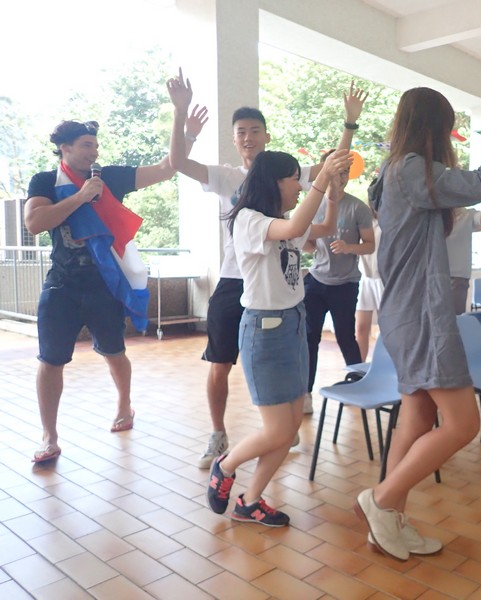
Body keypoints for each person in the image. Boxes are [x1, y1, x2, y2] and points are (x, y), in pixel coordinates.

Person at [354, 67, 481, 560]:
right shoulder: (407, 169)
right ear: (433, 129)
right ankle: (380, 501)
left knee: (419, 415)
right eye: (446, 130)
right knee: (464, 424)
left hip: (408, 312)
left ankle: (391, 520)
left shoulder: (396, 171)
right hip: (420, 313)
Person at [167, 69, 367, 466]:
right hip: (234, 280)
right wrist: (180, 114)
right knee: (220, 363)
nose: (248, 137)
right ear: (234, 138)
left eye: (254, 130)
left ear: (266, 136)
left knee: (282, 357)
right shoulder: (228, 177)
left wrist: (349, 124)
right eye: (241, 131)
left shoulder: (281, 171)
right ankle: (219, 434)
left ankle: (277, 430)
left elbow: (330, 169)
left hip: (275, 287)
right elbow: (177, 162)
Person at [24, 118, 201, 463]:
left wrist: (186, 129)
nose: (94, 152)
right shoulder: (45, 181)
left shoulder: (111, 178)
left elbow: (167, 168)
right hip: (62, 285)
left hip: (106, 284)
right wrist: (80, 197)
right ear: (66, 148)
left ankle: (124, 406)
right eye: (87, 145)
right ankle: (49, 436)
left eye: (95, 145)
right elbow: (34, 223)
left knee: (114, 351)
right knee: (50, 360)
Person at [206, 149, 352, 526]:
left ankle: (250, 502)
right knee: (277, 430)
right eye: (294, 180)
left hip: (293, 325)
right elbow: (291, 230)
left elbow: (323, 228)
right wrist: (320, 181)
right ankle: (226, 464)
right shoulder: (249, 221)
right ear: (273, 182)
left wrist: (333, 192)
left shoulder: (281, 219)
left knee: (287, 435)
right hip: (265, 331)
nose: (300, 188)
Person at [303, 150, 375, 409]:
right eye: (338, 170)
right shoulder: (314, 203)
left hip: (345, 284)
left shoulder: (359, 208)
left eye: (346, 171)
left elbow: (369, 245)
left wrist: (348, 247)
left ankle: (359, 384)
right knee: (310, 337)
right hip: (316, 281)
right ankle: (305, 394)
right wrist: (305, 243)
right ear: (326, 170)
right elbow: (308, 245)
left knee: (346, 335)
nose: (341, 176)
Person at [446, 198, 481, 314]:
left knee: (456, 322)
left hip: (458, 278)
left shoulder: (467, 216)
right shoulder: (433, 215)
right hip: (434, 276)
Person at [355, 214, 382, 360]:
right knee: (361, 327)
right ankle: (359, 369)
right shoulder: (365, 220)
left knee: (387, 328)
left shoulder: (394, 218)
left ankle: (389, 366)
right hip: (365, 277)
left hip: (385, 279)